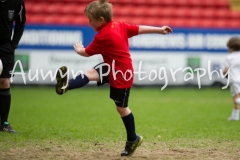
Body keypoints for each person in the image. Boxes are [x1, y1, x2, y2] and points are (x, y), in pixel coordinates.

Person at [55, 0, 172, 156]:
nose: (89, 23)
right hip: (112, 67)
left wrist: (79, 49)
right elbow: (139, 29)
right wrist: (159, 30)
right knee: (90, 74)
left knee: (121, 108)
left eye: (91, 19)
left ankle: (133, 139)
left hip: (122, 73)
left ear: (101, 19)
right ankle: (66, 85)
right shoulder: (119, 25)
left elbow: (86, 53)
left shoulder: (103, 36)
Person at [0, 0, 26, 133]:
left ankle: (4, 123)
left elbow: (21, 23)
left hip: (5, 47)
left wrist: (13, 44)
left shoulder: (17, 2)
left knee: (4, 82)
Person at [222, 37, 240, 121]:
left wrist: (224, 74)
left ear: (231, 48)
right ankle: (235, 115)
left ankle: (235, 116)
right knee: (237, 97)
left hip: (234, 80)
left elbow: (226, 70)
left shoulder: (229, 57)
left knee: (236, 97)